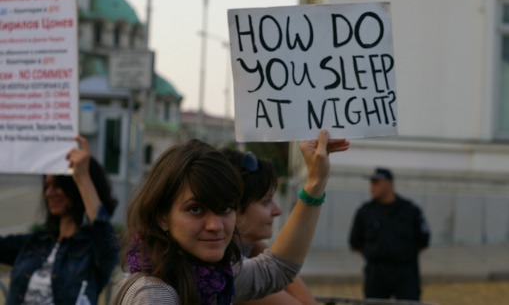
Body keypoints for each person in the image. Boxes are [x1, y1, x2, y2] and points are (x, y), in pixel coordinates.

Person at [112, 129, 348, 305]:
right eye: (195, 209)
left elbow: (278, 270)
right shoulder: (155, 295)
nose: (215, 225)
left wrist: (316, 183)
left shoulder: (211, 277)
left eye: (225, 208)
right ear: (162, 216)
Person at [0, 136, 120, 305]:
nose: (49, 193)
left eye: (58, 186)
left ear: (74, 187)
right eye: (47, 186)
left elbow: (105, 237)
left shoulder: (93, 251)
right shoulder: (34, 243)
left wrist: (83, 178)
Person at [221, 148, 317, 305]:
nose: (277, 211)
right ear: (234, 208)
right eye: (266, 201)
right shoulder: (227, 271)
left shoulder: (237, 256)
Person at [349, 167, 430, 301]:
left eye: (377, 183)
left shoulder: (410, 210)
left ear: (389, 184)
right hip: (376, 273)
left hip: (405, 272)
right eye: (371, 183)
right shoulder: (365, 212)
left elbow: (423, 240)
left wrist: (403, 255)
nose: (372, 187)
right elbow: (355, 242)